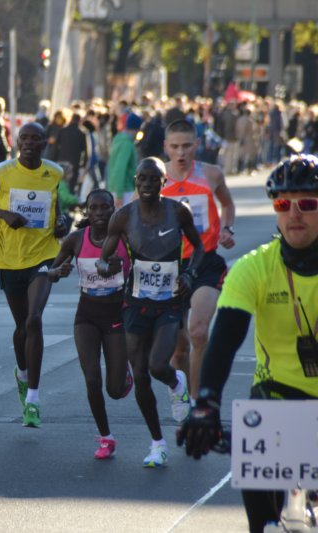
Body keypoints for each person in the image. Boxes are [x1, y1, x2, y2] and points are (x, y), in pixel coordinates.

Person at [178, 154, 318, 532]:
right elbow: (224, 338)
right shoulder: (253, 267)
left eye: (308, 204)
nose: (294, 214)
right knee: (262, 514)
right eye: (283, 204)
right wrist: (206, 403)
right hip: (278, 395)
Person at [97, 157, 204, 467]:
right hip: (135, 302)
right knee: (141, 375)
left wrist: (190, 275)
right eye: (142, 179)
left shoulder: (178, 212)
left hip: (170, 301)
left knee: (158, 365)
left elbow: (198, 248)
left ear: (163, 182)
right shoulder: (123, 217)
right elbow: (104, 258)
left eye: (153, 179)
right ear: (135, 182)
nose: (147, 184)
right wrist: (106, 266)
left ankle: (176, 383)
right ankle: (157, 443)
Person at [0, 122, 66, 428]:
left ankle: (34, 400)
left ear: (44, 143)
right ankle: (23, 374)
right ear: (17, 142)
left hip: (44, 254)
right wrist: (5, 215)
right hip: (10, 258)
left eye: (34, 139)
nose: (28, 143)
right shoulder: (1, 172)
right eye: (24, 138)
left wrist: (61, 222)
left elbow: (57, 208)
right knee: (22, 326)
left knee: (34, 319)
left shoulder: (54, 172)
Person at [49, 189, 133, 459]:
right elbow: (51, 272)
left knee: (114, 390)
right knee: (92, 379)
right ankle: (106, 437)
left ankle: (124, 375)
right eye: (93, 208)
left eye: (104, 207)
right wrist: (57, 271)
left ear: (113, 210)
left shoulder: (125, 238)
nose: (99, 213)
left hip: (117, 315)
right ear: (87, 211)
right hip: (86, 316)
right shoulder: (76, 239)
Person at [162, 119, 236, 397]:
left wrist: (226, 229)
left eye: (186, 146)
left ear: (197, 144)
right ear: (166, 147)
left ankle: (197, 402)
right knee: (179, 349)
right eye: (175, 147)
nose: (181, 153)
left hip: (205, 262)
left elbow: (227, 204)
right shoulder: (156, 177)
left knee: (199, 332)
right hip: (170, 266)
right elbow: (134, 215)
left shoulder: (211, 174)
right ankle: (182, 394)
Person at [107, 112, 142, 207]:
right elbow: (120, 168)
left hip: (114, 187)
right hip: (125, 190)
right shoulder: (127, 144)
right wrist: (119, 195)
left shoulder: (118, 140)